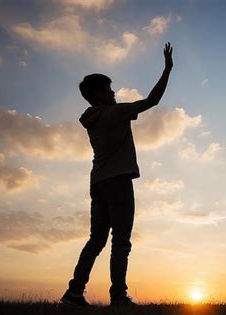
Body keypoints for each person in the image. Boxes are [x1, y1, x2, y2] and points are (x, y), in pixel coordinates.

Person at [61, 42, 173, 307]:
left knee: (96, 240)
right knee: (121, 241)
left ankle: (74, 293)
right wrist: (167, 69)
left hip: (98, 182)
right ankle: (119, 297)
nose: (113, 92)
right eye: (109, 89)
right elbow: (153, 100)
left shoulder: (91, 118)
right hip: (119, 181)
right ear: (99, 93)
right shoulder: (115, 112)